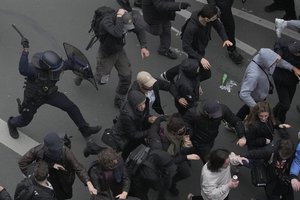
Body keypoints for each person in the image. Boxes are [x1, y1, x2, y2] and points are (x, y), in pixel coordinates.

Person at [7, 43, 101, 139]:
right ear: (46, 68)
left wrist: (81, 69)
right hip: (34, 98)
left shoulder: (56, 65)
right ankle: (11, 123)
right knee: (24, 120)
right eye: (56, 70)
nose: (59, 71)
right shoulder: (34, 71)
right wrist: (25, 50)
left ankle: (84, 129)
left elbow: (69, 64)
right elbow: (22, 69)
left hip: (50, 93)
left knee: (70, 106)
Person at [95, 8, 150, 108]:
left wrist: (143, 46)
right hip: (107, 53)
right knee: (101, 80)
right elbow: (117, 33)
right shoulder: (107, 22)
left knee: (126, 76)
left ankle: (119, 99)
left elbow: (140, 30)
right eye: (126, 27)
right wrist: (120, 17)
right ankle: (83, 73)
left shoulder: (127, 20)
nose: (128, 29)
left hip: (119, 50)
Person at [18, 132, 97, 200]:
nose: (60, 149)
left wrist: (88, 183)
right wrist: (47, 167)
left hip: (62, 179)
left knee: (60, 195)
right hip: (45, 176)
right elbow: (22, 163)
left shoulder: (65, 151)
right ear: (47, 148)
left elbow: (78, 167)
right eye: (56, 149)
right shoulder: (38, 150)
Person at [237, 48, 300, 121]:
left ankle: (236, 121)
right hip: (256, 97)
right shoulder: (253, 76)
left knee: (247, 108)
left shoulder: (263, 58)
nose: (276, 63)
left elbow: (278, 62)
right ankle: (234, 123)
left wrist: (292, 68)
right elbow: (244, 94)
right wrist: (257, 107)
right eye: (274, 61)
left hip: (259, 95)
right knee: (247, 109)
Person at [148, 113, 200, 196]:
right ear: (173, 132)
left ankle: (173, 183)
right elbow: (169, 161)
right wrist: (186, 156)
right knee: (165, 183)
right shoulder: (164, 145)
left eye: (183, 130)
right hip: (165, 162)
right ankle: (162, 195)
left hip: (176, 155)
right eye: (180, 132)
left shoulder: (177, 128)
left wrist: (184, 141)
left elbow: (158, 121)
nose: (183, 132)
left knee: (185, 173)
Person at [244, 132, 296, 200]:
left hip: (285, 179)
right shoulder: (270, 151)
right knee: (272, 196)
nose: (284, 158)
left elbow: (295, 163)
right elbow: (255, 153)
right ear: (279, 150)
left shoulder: (291, 151)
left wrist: (293, 177)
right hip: (271, 178)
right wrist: (240, 157)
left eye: (286, 157)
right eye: (282, 156)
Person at [181, 4, 232, 70]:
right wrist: (200, 58)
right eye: (214, 18)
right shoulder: (191, 28)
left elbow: (219, 27)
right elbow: (186, 46)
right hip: (194, 48)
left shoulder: (207, 15)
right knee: (192, 64)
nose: (216, 19)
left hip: (201, 44)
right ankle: (170, 74)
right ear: (207, 19)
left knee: (197, 61)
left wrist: (225, 39)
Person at [272, 39, 300, 123]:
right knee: (286, 105)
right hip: (280, 79)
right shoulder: (286, 46)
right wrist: (278, 53)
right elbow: (278, 43)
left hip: (292, 81)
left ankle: (273, 113)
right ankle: (280, 122)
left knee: (285, 102)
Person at [207, 0, 244, 64]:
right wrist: (213, 5)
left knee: (229, 26)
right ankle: (231, 50)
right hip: (221, 4)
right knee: (229, 26)